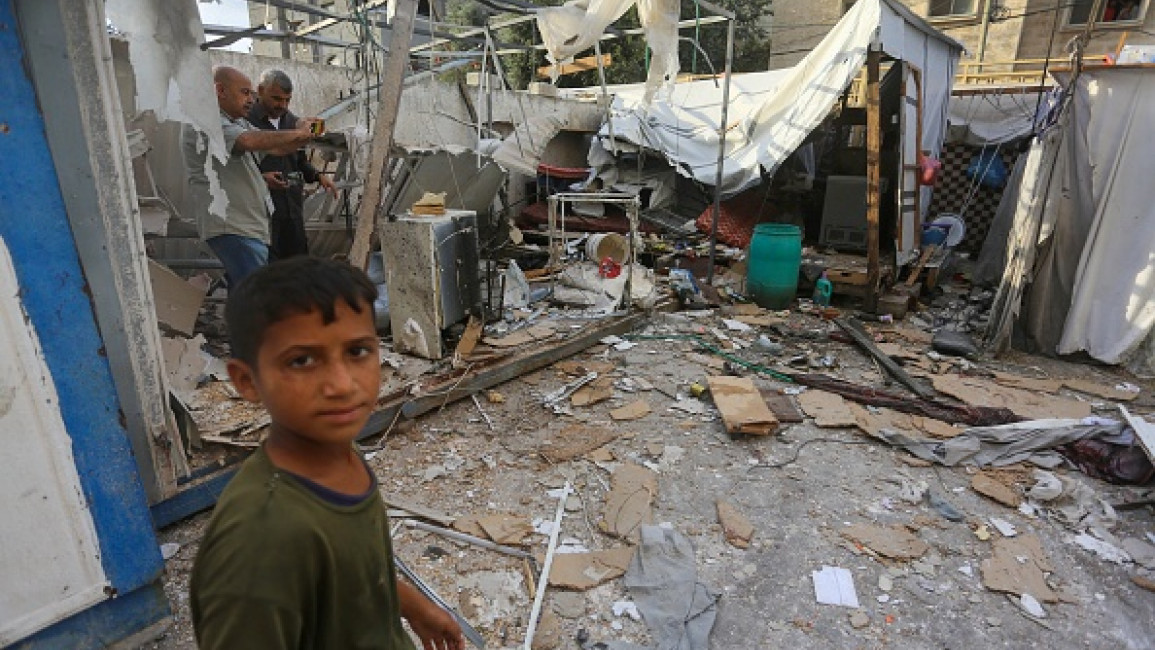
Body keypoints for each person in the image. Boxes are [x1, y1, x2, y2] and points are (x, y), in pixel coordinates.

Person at [190, 256, 465, 650]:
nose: (341, 384)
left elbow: (355, 566)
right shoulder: (260, 541)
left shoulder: (335, 450)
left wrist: (413, 607)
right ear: (247, 381)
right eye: (301, 360)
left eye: (357, 351)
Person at [181, 65, 319, 287]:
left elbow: (277, 149)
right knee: (257, 296)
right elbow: (248, 141)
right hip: (234, 225)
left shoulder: (236, 121)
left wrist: (303, 134)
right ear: (220, 90)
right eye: (245, 92)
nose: (250, 99)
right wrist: (298, 133)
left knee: (247, 295)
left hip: (250, 226)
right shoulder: (206, 121)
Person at [248, 68, 338, 259]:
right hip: (260, 210)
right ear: (261, 90)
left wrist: (318, 175)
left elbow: (299, 160)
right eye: (277, 99)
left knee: (297, 263)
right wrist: (261, 179)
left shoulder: (292, 121)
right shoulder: (246, 122)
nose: (283, 105)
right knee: (268, 264)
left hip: (291, 206)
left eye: (287, 100)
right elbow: (237, 164)